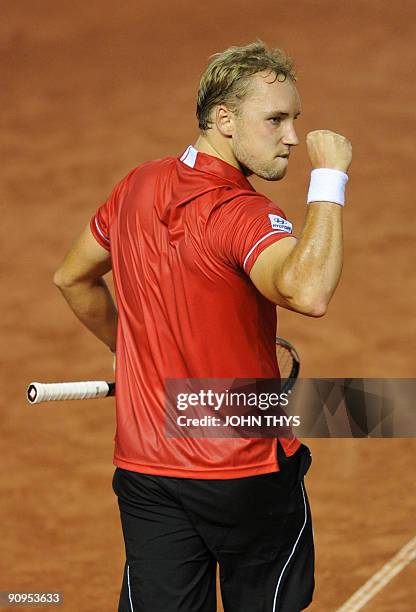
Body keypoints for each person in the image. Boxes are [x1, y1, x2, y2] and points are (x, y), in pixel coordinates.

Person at [54, 41, 352, 612]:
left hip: (146, 474)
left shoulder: (134, 187)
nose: (292, 137)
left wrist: (132, 351)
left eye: (295, 120)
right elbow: (308, 292)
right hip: (244, 472)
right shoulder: (245, 213)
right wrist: (330, 180)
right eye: (276, 119)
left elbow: (73, 279)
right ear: (224, 119)